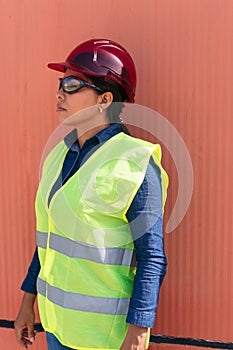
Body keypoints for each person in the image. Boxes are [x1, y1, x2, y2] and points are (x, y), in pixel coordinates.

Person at [14, 38, 169, 350]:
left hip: (104, 336)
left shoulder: (137, 161)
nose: (59, 92)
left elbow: (152, 257)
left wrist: (138, 333)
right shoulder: (59, 154)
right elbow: (49, 238)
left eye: (73, 84)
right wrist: (27, 303)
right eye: (61, 82)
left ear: (105, 98)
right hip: (56, 325)